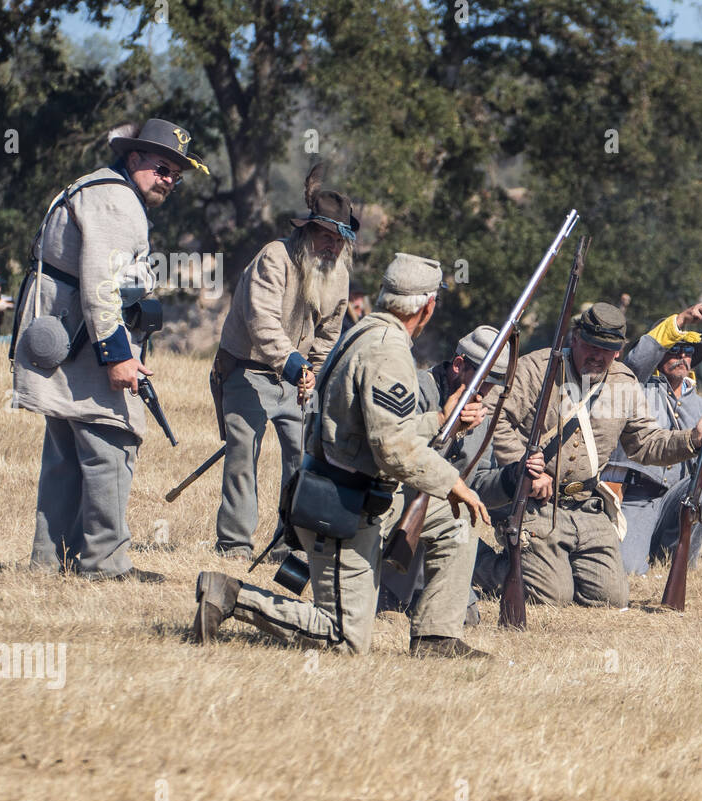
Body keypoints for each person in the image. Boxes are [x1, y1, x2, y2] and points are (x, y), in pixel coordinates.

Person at [192, 253, 495, 658]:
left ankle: (436, 637)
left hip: (363, 495)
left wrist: (442, 420)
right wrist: (452, 482)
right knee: (345, 640)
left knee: (457, 525)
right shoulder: (389, 351)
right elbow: (393, 451)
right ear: (428, 306)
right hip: (345, 507)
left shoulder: (368, 332)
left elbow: (385, 431)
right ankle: (230, 597)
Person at [12, 117, 207, 581]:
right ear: (133, 156)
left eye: (176, 175)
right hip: (88, 345)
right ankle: (104, 563)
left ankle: (51, 560)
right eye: (163, 168)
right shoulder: (118, 200)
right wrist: (118, 355)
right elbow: (101, 285)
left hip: (71, 340)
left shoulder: (101, 188)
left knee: (65, 453)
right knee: (111, 445)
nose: (169, 180)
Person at [484, 301, 702, 608]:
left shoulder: (622, 383)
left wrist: (693, 438)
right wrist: (522, 467)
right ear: (575, 338)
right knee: (552, 596)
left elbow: (646, 443)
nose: (598, 356)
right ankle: (478, 564)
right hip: (537, 502)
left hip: (587, 505)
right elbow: (495, 419)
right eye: (591, 346)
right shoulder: (538, 369)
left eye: (607, 349)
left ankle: (552, 564)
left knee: (612, 598)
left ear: (618, 351)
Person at [211, 164, 354, 559]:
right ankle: (234, 545)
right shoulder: (274, 258)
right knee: (243, 456)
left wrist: (314, 373)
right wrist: (297, 367)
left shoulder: (338, 274)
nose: (331, 246)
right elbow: (262, 323)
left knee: (302, 460)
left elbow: (329, 334)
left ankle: (287, 542)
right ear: (307, 232)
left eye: (338, 239)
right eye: (325, 236)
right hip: (247, 368)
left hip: (298, 378)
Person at [379, 325, 543, 624]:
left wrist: (514, 475)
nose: (487, 392)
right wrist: (449, 427)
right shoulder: (415, 391)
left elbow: (476, 482)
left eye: (495, 384)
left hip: (445, 525)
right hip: (397, 514)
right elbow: (399, 458)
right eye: (484, 381)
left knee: (468, 619)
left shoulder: (482, 413)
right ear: (458, 365)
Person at [603, 303, 702, 575]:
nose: (682, 357)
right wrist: (682, 319)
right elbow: (638, 360)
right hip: (637, 495)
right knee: (628, 570)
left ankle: (679, 558)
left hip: (678, 497)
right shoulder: (636, 386)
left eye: (688, 352)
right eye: (674, 350)